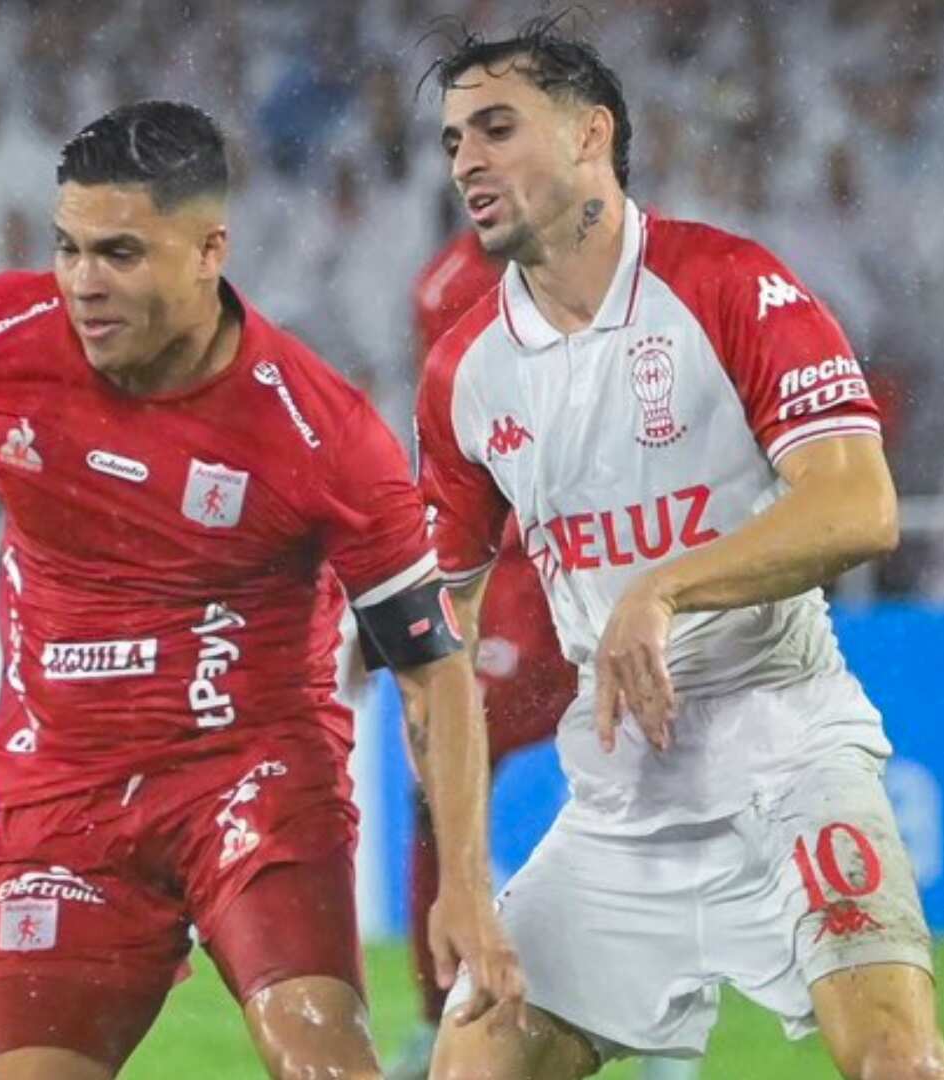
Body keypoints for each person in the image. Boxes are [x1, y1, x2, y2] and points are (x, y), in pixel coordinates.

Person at [0, 100, 522, 1080]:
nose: (84, 283)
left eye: (120, 253)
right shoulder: (2, 333)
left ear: (211, 249)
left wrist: (462, 885)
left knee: (324, 1064)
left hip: (251, 787)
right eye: (69, 249)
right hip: (63, 804)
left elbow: (430, 664)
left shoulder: (316, 433)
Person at [414, 20, 944, 1080]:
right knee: (471, 1068)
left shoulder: (725, 283)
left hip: (788, 749)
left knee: (896, 1060)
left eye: (495, 128)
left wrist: (663, 589)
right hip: (624, 795)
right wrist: (465, 876)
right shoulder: (463, 374)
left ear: (590, 138)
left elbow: (859, 504)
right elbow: (444, 637)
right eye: (450, 142)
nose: (466, 162)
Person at [386, 229, 577, 1080]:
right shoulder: (441, 283)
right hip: (491, 568)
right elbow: (439, 447)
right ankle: (440, 1015)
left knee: (661, 781)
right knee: (439, 782)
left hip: (587, 560)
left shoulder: (603, 267)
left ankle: (670, 1016)